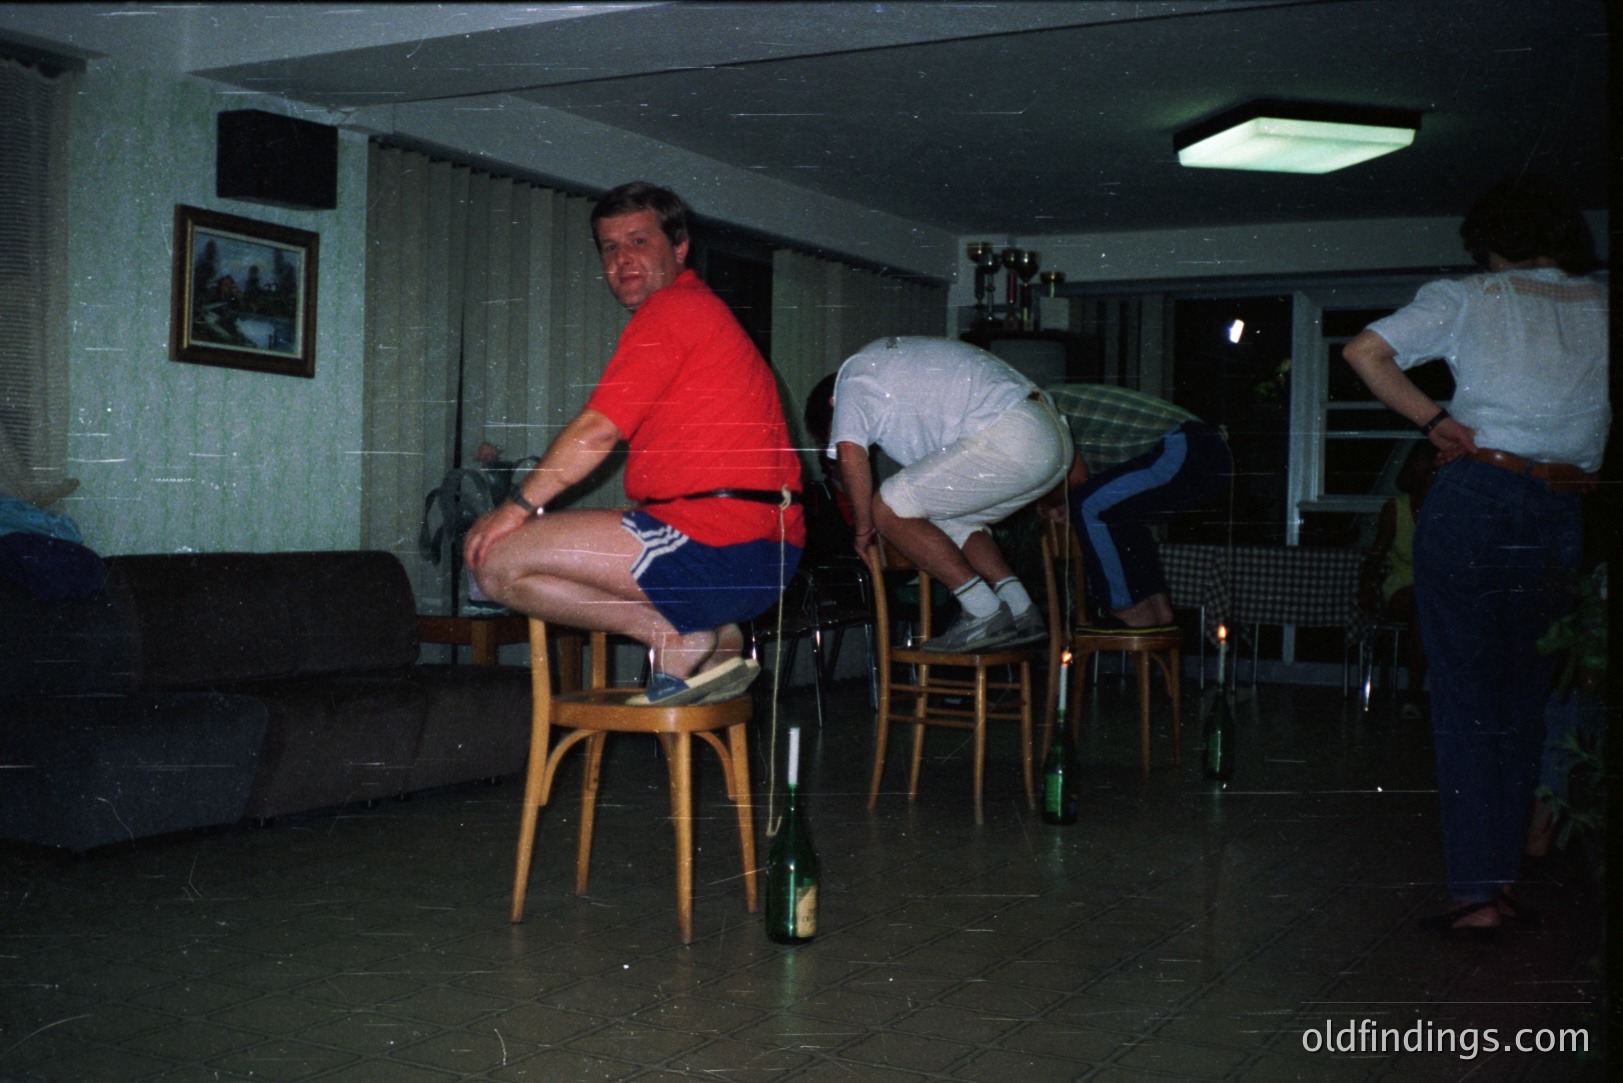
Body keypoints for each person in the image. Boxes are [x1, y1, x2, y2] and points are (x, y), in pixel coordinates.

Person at [1341, 173, 1608, 936]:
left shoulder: (1467, 298)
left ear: (1487, 244)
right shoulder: (1602, 304)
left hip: (1480, 495)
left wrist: (1432, 422)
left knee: (1467, 703)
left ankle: (1479, 894)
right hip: (1564, 504)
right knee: (1525, 701)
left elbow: (1365, 352)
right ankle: (1496, 882)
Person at [463, 182, 804, 706]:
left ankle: (672, 632)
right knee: (514, 559)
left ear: (680, 247)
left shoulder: (672, 309)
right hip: (758, 553)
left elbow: (597, 431)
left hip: (718, 544)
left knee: (496, 559)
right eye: (610, 247)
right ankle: (697, 635)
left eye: (639, 241)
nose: (623, 259)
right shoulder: (698, 312)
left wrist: (513, 508)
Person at [816, 336, 1073, 652]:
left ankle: (984, 611)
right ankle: (1021, 609)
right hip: (1053, 440)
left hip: (1012, 433)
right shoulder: (894, 380)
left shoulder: (854, 377)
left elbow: (850, 453)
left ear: (834, 404)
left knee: (886, 507)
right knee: (941, 516)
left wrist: (864, 527)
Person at [1034, 384, 1230, 628]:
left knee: (1087, 506)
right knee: (1117, 513)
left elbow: (1078, 477)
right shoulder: (1045, 405)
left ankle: (1124, 604)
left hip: (1189, 445)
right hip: (1205, 451)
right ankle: (1157, 606)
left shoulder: (1037, 409)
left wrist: (1046, 502)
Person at [1357, 440, 1438, 719]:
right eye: (1426, 472)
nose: (1430, 478)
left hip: (1440, 591)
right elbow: (1377, 553)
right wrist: (1365, 585)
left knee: (1433, 604)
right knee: (1421, 604)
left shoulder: (1448, 511)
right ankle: (1413, 695)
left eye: (1436, 472)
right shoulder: (1396, 509)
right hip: (1402, 587)